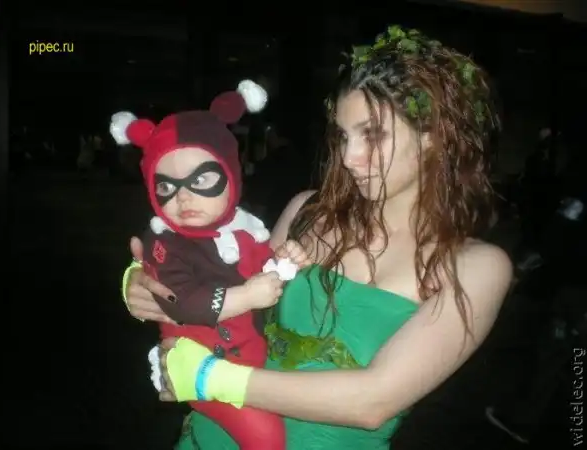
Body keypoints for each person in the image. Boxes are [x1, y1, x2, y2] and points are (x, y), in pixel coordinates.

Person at [122, 25, 512, 449]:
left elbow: (373, 402)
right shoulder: (307, 212)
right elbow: (227, 293)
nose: (349, 157)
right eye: (344, 136)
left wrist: (208, 378)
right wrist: (151, 283)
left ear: (434, 136)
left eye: (373, 134)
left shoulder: (475, 267)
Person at [110, 80, 308, 450]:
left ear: (231, 173)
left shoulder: (245, 229)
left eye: (200, 180)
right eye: (166, 187)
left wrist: (285, 260)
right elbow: (180, 301)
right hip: (199, 364)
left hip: (249, 358)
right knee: (266, 437)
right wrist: (247, 296)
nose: (184, 197)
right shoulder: (165, 243)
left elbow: (264, 268)